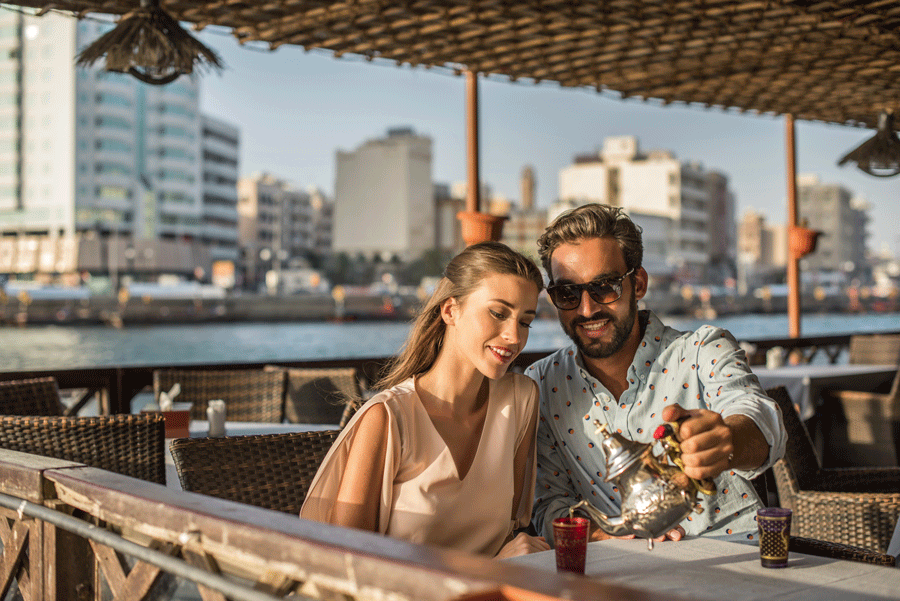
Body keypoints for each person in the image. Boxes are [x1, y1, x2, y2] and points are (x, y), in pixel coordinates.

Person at [526, 204, 786, 545]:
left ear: (638, 283)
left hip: (735, 559)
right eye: (568, 293)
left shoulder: (703, 348)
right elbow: (548, 503)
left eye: (605, 287)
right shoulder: (543, 385)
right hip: (621, 575)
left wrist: (728, 440)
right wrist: (608, 539)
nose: (586, 309)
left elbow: (760, 417)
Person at [301, 241, 551, 559]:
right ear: (451, 310)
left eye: (525, 321)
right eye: (498, 313)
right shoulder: (387, 418)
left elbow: (509, 531)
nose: (515, 337)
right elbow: (346, 565)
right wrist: (489, 568)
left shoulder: (520, 398)